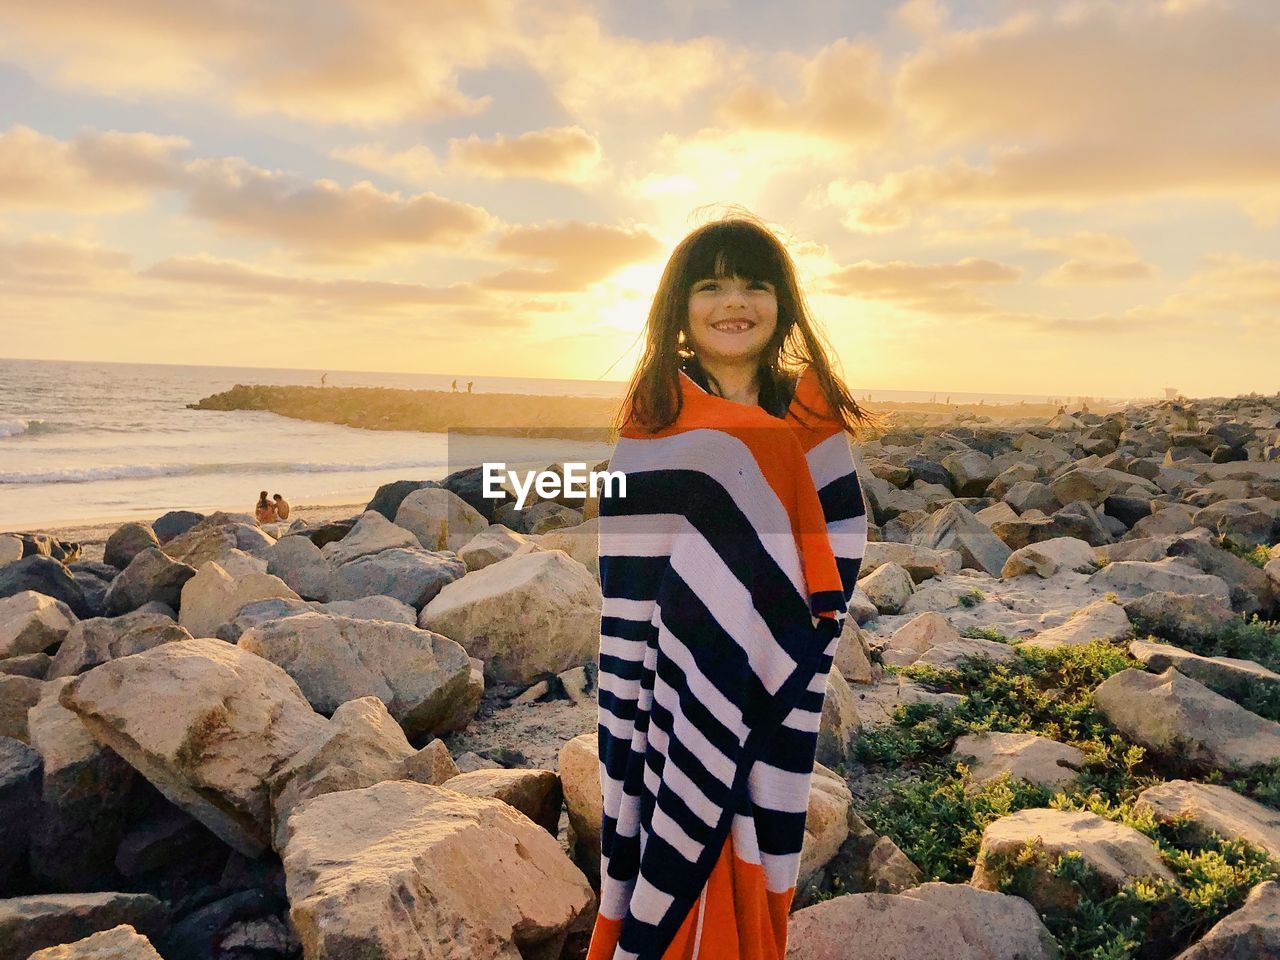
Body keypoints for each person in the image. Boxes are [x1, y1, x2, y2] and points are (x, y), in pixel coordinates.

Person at [589, 213, 880, 960]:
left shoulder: (807, 414)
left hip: (779, 659)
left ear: (782, 302)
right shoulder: (655, 412)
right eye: (711, 285)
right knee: (672, 826)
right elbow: (627, 553)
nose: (733, 302)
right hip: (669, 671)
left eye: (754, 284)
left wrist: (779, 623)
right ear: (680, 306)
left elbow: (839, 533)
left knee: (756, 831)